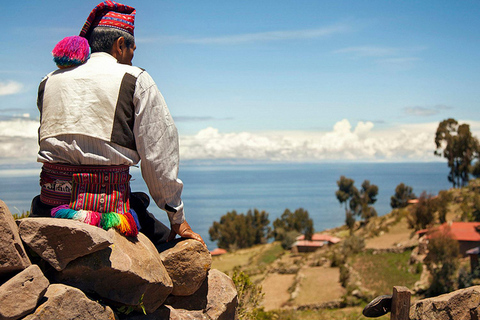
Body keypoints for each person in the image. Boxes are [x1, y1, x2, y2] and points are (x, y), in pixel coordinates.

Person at [31, 0, 205, 247]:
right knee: (169, 247)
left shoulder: (48, 80)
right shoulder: (135, 79)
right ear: (120, 44)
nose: (132, 60)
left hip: (49, 207)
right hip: (109, 214)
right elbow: (159, 155)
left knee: (139, 200)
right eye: (132, 51)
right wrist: (176, 217)